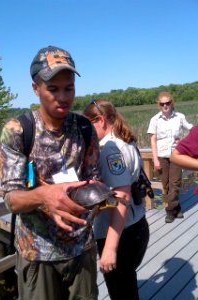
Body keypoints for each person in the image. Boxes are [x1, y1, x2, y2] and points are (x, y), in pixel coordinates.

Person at [0, 45, 101, 300]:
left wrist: (98, 197)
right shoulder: (18, 130)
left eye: (69, 88)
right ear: (36, 88)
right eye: (53, 89)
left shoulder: (85, 128)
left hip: (82, 250)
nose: (63, 97)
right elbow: (12, 199)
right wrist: (45, 196)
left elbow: (94, 178)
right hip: (38, 256)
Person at [83, 99, 150, 300]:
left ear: (101, 120)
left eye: (88, 124)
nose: (87, 130)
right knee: (127, 285)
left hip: (119, 233)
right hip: (137, 224)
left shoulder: (108, 149)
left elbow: (121, 194)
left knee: (121, 291)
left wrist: (110, 248)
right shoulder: (127, 141)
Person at [147, 91, 193, 223]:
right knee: (166, 185)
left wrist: (184, 141)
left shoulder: (179, 117)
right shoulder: (155, 120)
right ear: (159, 105)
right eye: (162, 104)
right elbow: (153, 141)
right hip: (162, 156)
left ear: (171, 103)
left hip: (177, 155)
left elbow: (192, 130)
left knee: (175, 183)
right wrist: (155, 159)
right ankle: (177, 208)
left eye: (167, 103)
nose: (165, 106)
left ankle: (169, 211)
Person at [170, 125, 198, 195]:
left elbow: (189, 126)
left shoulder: (179, 117)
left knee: (174, 183)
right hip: (163, 155)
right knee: (170, 183)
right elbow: (175, 156)